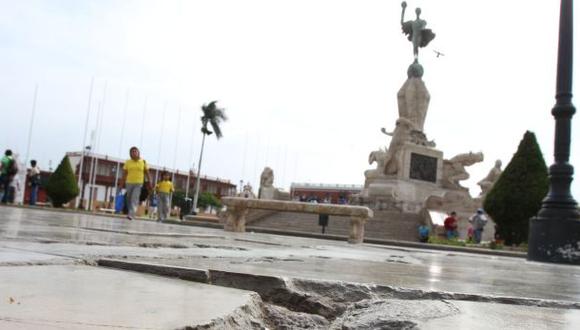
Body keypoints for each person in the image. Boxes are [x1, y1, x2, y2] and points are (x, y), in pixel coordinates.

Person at [119, 147, 152, 220]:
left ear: (138, 152)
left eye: (135, 151)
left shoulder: (143, 161)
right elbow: (124, 173)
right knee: (129, 198)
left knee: (135, 198)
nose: (134, 153)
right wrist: (121, 183)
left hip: (139, 183)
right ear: (130, 153)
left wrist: (150, 182)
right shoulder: (128, 162)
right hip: (129, 183)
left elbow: (147, 173)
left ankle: (131, 214)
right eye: (132, 151)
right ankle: (128, 211)